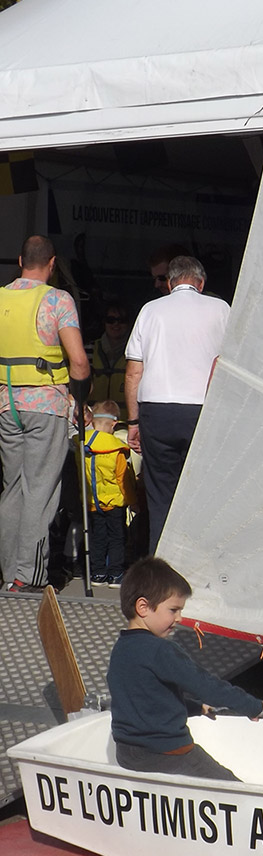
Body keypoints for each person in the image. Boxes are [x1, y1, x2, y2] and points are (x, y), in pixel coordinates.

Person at [107, 556, 263, 780]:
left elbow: (147, 699)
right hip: (170, 753)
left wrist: (195, 708)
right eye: (173, 610)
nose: (179, 618)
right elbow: (207, 686)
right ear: (143, 607)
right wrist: (251, 706)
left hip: (128, 755)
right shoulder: (160, 651)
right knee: (233, 790)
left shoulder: (121, 650)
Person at [0, 235, 91, 593]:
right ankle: (30, 575)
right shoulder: (57, 299)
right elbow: (80, 362)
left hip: (7, 404)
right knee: (40, 490)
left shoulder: (2, 297)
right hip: (46, 406)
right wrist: (80, 396)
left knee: (12, 490)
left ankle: (10, 573)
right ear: (52, 264)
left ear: (20, 259)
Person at [125, 255, 229, 553]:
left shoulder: (150, 310)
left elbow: (134, 371)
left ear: (169, 283)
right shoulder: (221, 309)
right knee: (204, 495)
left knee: (160, 496)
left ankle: (163, 567)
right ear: (201, 282)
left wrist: (133, 422)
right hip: (203, 411)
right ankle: (201, 568)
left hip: (157, 411)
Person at [78, 399, 136, 587]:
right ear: (114, 424)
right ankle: (115, 574)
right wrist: (132, 501)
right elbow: (123, 480)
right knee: (117, 538)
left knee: (97, 537)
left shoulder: (82, 445)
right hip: (115, 503)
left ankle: (98, 573)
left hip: (92, 502)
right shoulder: (115, 448)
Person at [90, 302, 131, 420]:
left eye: (122, 320)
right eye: (110, 320)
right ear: (104, 322)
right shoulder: (90, 349)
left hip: (125, 421)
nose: (116, 324)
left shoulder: (136, 351)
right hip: (95, 421)